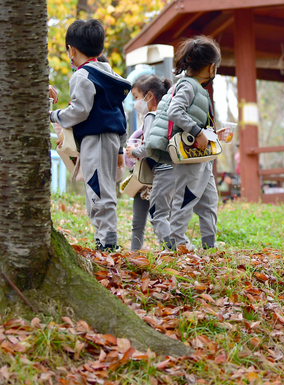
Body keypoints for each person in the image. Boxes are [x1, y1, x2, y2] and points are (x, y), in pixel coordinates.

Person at [49, 19, 131, 251]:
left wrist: (54, 115)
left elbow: (79, 111)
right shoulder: (109, 74)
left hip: (95, 139)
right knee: (104, 187)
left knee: (97, 187)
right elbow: (120, 114)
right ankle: (106, 237)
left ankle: (106, 242)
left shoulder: (82, 76)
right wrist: (120, 148)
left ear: (71, 50)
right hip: (112, 138)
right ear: (101, 49)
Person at [151, 36, 222, 250]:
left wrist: (209, 132)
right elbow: (175, 111)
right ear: (211, 67)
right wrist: (197, 131)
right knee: (185, 197)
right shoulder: (189, 86)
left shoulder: (198, 88)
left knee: (209, 201)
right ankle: (178, 242)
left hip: (201, 157)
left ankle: (210, 244)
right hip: (189, 156)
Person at [125, 75, 173, 251]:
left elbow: (151, 145)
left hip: (157, 172)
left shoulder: (151, 116)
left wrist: (134, 151)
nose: (135, 103)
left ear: (149, 96)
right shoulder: (167, 116)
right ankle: (171, 250)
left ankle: (172, 250)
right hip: (162, 172)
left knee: (157, 216)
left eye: (137, 97)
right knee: (162, 216)